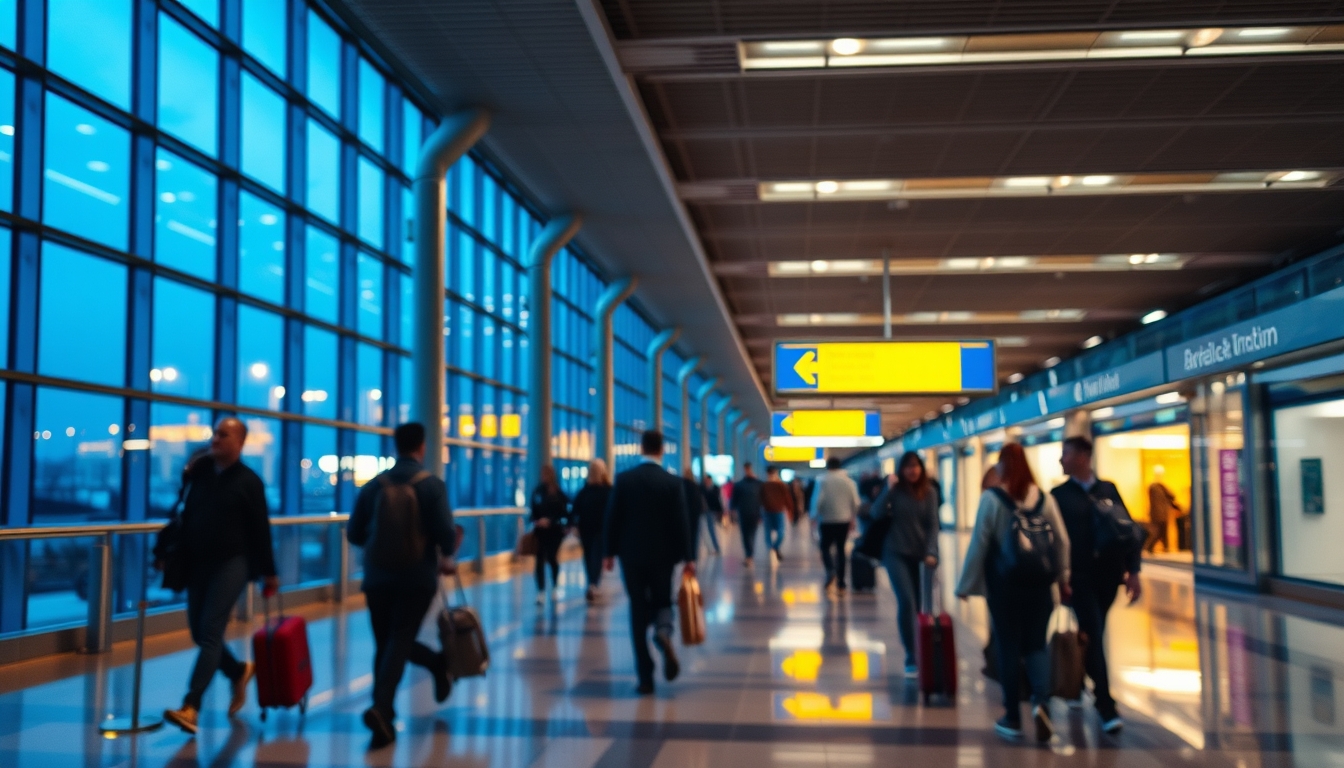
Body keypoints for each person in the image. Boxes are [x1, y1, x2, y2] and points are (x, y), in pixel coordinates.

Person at [163, 417, 279, 734]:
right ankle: (238, 669)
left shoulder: (249, 482)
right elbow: (183, 515)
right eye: (214, 433)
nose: (215, 439)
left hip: (233, 563)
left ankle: (191, 706)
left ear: (239, 443)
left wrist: (269, 572)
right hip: (198, 562)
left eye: (223, 435)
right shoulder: (200, 474)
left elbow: (260, 529)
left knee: (211, 630)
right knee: (198, 633)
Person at [345, 422, 457, 748]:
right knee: (400, 638)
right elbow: (445, 533)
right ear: (421, 446)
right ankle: (386, 705)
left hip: (377, 578)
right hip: (416, 577)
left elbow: (353, 533)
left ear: (395, 446)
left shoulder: (373, 486)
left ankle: (384, 711)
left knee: (387, 642)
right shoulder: (431, 485)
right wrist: (446, 555)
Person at [956, 443, 1070, 743]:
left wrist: (966, 585)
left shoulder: (992, 499)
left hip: (1005, 587)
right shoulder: (1043, 498)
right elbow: (1061, 541)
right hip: (1040, 587)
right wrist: (1063, 578)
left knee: (1008, 647)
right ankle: (1041, 703)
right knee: (1035, 645)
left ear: (1002, 467)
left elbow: (980, 543)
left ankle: (1012, 717)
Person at [1053, 436, 1142, 734]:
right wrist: (1059, 579)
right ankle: (1105, 705)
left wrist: (1134, 571)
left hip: (1108, 577)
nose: (1061, 459)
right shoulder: (1059, 495)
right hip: (1078, 579)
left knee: (1093, 631)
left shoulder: (1109, 490)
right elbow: (1055, 542)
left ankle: (1077, 682)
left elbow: (1127, 532)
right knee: (1093, 633)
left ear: (1082, 457)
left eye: (1065, 454)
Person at [604, 431, 696, 694]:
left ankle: (645, 677)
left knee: (637, 608)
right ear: (662, 450)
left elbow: (613, 518)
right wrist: (689, 557)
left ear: (641, 448)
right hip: (663, 556)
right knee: (662, 600)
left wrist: (608, 553)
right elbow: (682, 523)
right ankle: (664, 632)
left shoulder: (625, 480)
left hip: (631, 556)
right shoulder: (672, 482)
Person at [871, 451, 940, 676]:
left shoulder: (929, 492)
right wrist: (887, 489)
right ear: (901, 470)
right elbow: (876, 512)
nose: (913, 470)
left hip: (921, 556)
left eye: (916, 466)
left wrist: (931, 552)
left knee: (921, 606)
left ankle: (922, 650)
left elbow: (933, 524)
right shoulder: (895, 491)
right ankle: (911, 655)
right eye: (908, 466)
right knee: (907, 601)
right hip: (895, 552)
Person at [811, 457, 860, 592]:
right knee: (841, 550)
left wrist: (814, 516)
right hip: (843, 520)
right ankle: (841, 582)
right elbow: (855, 502)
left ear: (828, 467)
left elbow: (818, 500)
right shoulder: (849, 482)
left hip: (826, 520)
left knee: (825, 547)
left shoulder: (822, 481)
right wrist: (853, 517)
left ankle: (830, 569)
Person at [571, 459, 613, 603]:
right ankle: (593, 583)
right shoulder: (604, 491)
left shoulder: (588, 491)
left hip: (594, 530)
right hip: (592, 529)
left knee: (592, 556)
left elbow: (575, 509)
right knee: (592, 556)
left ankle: (593, 583)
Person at [530, 465, 570, 603]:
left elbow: (564, 513)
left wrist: (551, 521)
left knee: (552, 558)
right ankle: (540, 591)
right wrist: (538, 521)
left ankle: (554, 587)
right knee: (539, 560)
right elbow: (533, 512)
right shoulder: (537, 492)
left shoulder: (558, 494)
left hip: (554, 532)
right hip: (541, 532)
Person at [730, 463, 764, 568]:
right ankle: (748, 555)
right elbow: (734, 500)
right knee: (745, 535)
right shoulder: (739, 485)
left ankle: (750, 554)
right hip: (743, 513)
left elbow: (762, 499)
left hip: (754, 513)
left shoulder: (758, 484)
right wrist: (732, 512)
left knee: (752, 534)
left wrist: (761, 514)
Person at [760, 466, 796, 562]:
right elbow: (761, 499)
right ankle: (772, 548)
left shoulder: (780, 485)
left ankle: (774, 547)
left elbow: (787, 498)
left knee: (780, 533)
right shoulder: (765, 485)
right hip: (768, 511)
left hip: (778, 511)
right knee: (769, 533)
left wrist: (790, 510)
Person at [1146, 467, 1180, 553]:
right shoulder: (1156, 487)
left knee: (1161, 531)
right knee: (1158, 531)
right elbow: (1171, 495)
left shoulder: (1158, 487)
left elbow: (1171, 496)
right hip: (1159, 513)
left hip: (1161, 513)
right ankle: (1150, 547)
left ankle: (1162, 547)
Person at [681, 467, 708, 559]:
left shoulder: (681, 485)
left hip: (684, 515)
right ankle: (693, 555)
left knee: (684, 535)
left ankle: (685, 554)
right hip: (694, 515)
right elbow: (699, 502)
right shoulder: (695, 486)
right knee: (694, 536)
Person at [699, 474, 724, 555]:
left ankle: (716, 547)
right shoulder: (701, 488)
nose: (706, 481)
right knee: (704, 529)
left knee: (711, 529)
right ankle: (710, 548)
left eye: (707, 480)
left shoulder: (715, 488)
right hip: (703, 510)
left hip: (711, 510)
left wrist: (720, 510)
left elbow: (718, 500)